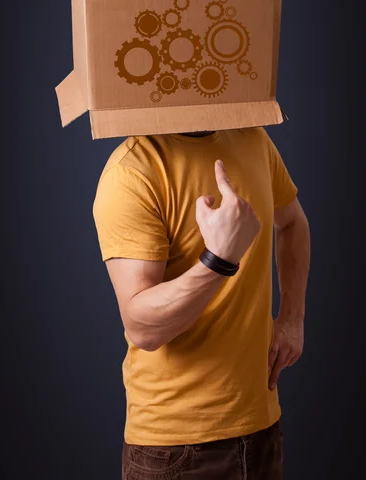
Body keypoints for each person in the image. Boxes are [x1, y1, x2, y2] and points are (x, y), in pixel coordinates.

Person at [92, 126, 310, 479]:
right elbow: (142, 327)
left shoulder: (253, 137)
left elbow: (292, 223)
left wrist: (293, 317)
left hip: (261, 427)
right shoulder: (132, 171)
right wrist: (219, 259)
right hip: (175, 448)